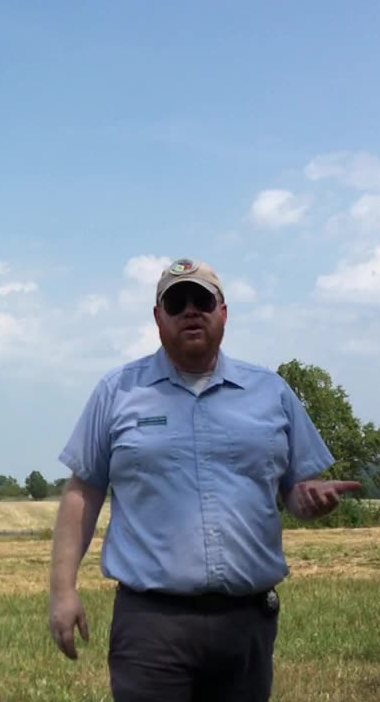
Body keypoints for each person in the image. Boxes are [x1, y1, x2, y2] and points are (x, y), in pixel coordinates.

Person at [48, 257, 362, 702]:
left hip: (247, 621)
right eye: (176, 302)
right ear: (158, 318)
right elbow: (82, 492)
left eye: (203, 300)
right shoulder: (117, 391)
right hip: (150, 625)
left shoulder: (271, 391)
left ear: (224, 312)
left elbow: (295, 490)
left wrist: (307, 499)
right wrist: (63, 591)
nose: (191, 310)